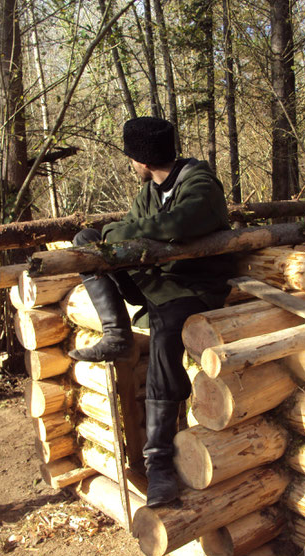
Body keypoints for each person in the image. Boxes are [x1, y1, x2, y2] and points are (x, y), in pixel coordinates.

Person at [69, 117, 234, 507]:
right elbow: (137, 227)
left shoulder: (199, 182)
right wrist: (119, 235)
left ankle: (158, 463)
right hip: (157, 279)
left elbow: (181, 223)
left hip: (193, 287)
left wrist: (124, 234)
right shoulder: (149, 192)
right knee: (87, 240)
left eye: (132, 157)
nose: (131, 164)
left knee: (165, 333)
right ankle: (117, 333)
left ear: (144, 158)